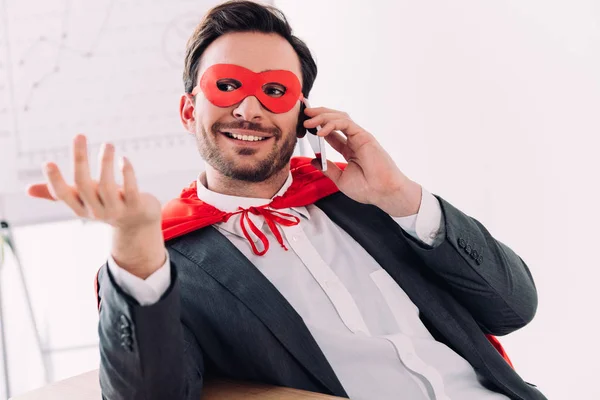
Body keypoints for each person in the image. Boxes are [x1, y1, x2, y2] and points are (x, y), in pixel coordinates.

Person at [27, 1, 547, 399]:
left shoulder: (369, 199)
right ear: (189, 111)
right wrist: (136, 249)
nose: (249, 109)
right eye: (227, 86)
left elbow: (514, 307)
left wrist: (402, 197)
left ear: (301, 115)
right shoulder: (164, 263)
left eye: (273, 91)